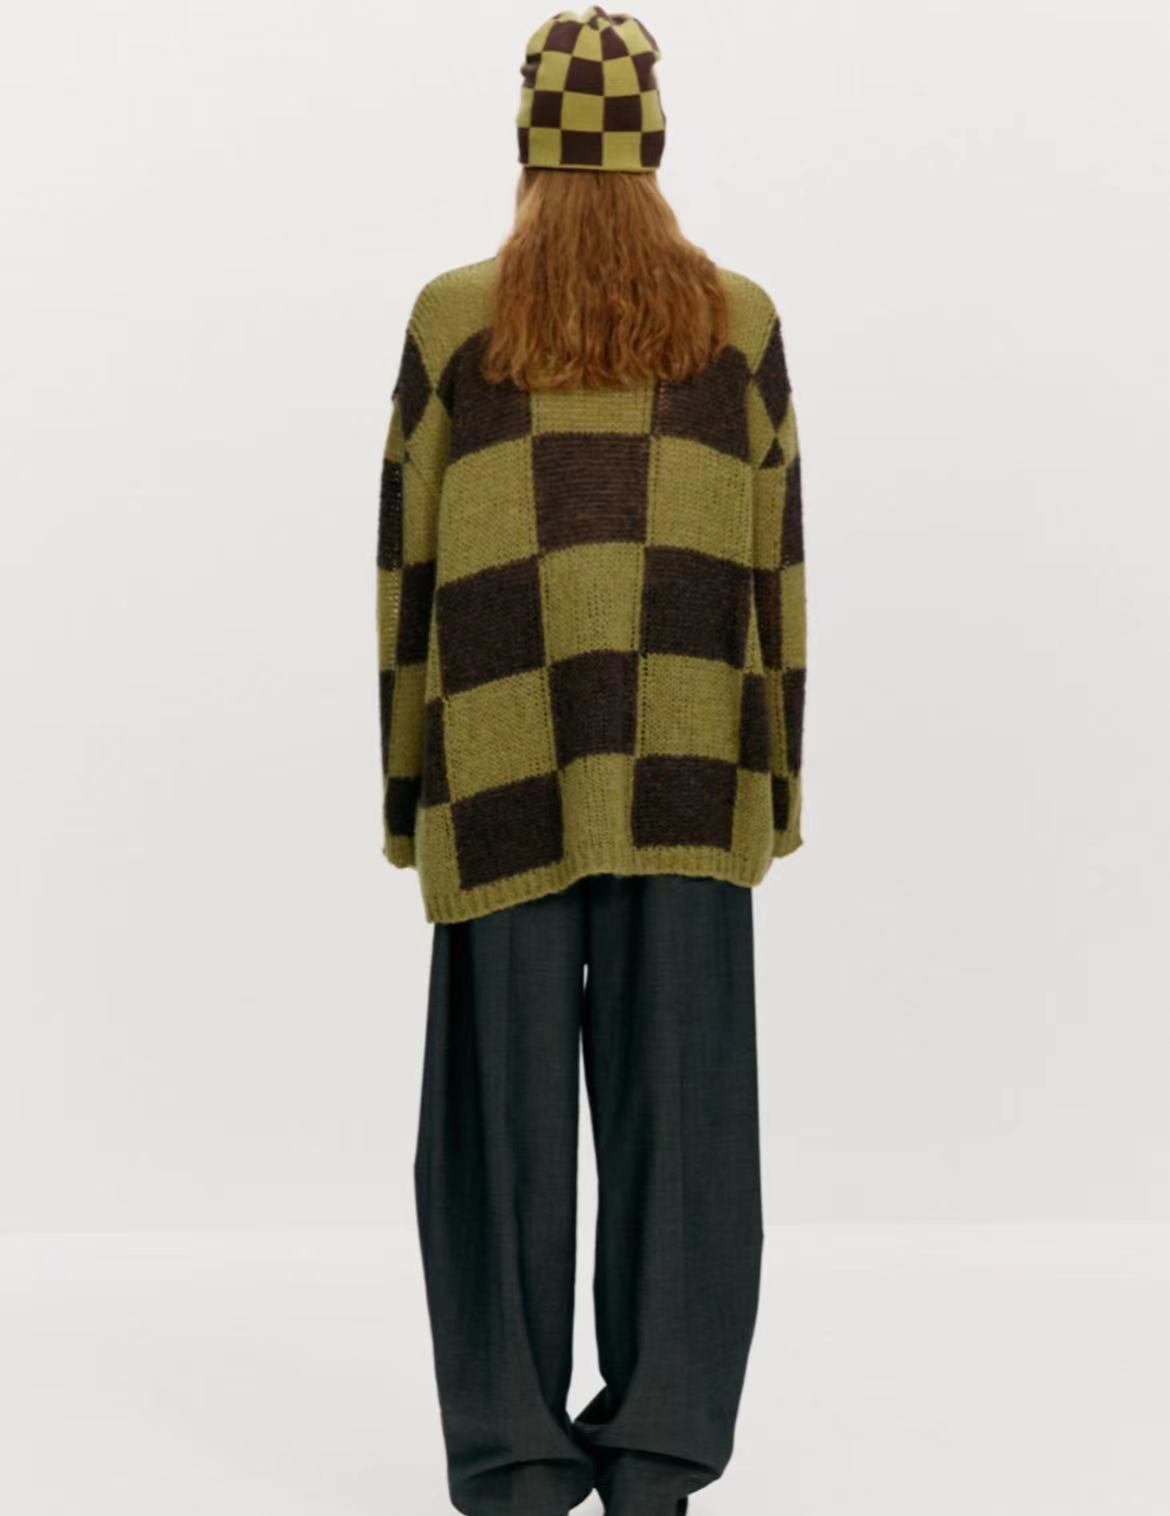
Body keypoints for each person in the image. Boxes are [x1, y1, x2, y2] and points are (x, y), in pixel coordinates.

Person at [375, 8, 806, 1513]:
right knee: (683, 1113)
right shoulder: (737, 320)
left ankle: (513, 1460)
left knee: (493, 1126)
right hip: (689, 763)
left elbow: (405, 571)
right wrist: (773, 787)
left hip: (500, 766)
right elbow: (777, 573)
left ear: (526, 136)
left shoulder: (456, 318)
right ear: (654, 139)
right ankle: (661, 1453)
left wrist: (408, 791)